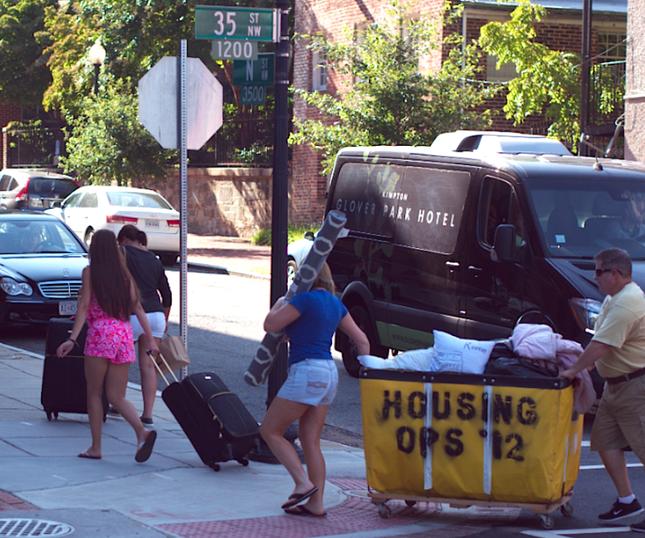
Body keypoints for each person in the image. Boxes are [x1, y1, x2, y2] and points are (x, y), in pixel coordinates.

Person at [259, 263, 370, 517]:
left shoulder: (303, 300)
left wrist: (280, 302)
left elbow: (270, 324)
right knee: (311, 441)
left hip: (307, 371)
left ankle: (302, 482)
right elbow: (362, 340)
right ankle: (316, 503)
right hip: (329, 373)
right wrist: (367, 375)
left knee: (270, 430)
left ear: (306, 277)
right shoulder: (334, 303)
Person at [56, 229, 158, 462]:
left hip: (101, 334)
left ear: (94, 249)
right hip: (123, 334)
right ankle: (142, 431)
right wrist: (151, 340)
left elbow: (83, 307)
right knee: (116, 395)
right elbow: (139, 309)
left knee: (94, 392)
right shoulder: (125, 276)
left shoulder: (90, 273)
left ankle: (96, 447)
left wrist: (72, 338)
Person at [561, 248, 645, 530]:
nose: (593, 276)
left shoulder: (627, 303)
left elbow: (601, 345)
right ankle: (627, 500)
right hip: (616, 385)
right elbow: (601, 339)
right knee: (606, 442)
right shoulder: (613, 298)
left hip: (636, 385)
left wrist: (574, 369)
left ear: (617, 274)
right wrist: (590, 369)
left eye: (598, 271)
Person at [117, 224, 172, 425]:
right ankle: (148, 413)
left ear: (123, 239)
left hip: (131, 314)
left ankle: (117, 402)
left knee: (121, 363)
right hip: (156, 315)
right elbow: (167, 294)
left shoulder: (121, 253)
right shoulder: (154, 260)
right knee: (148, 366)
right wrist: (164, 320)